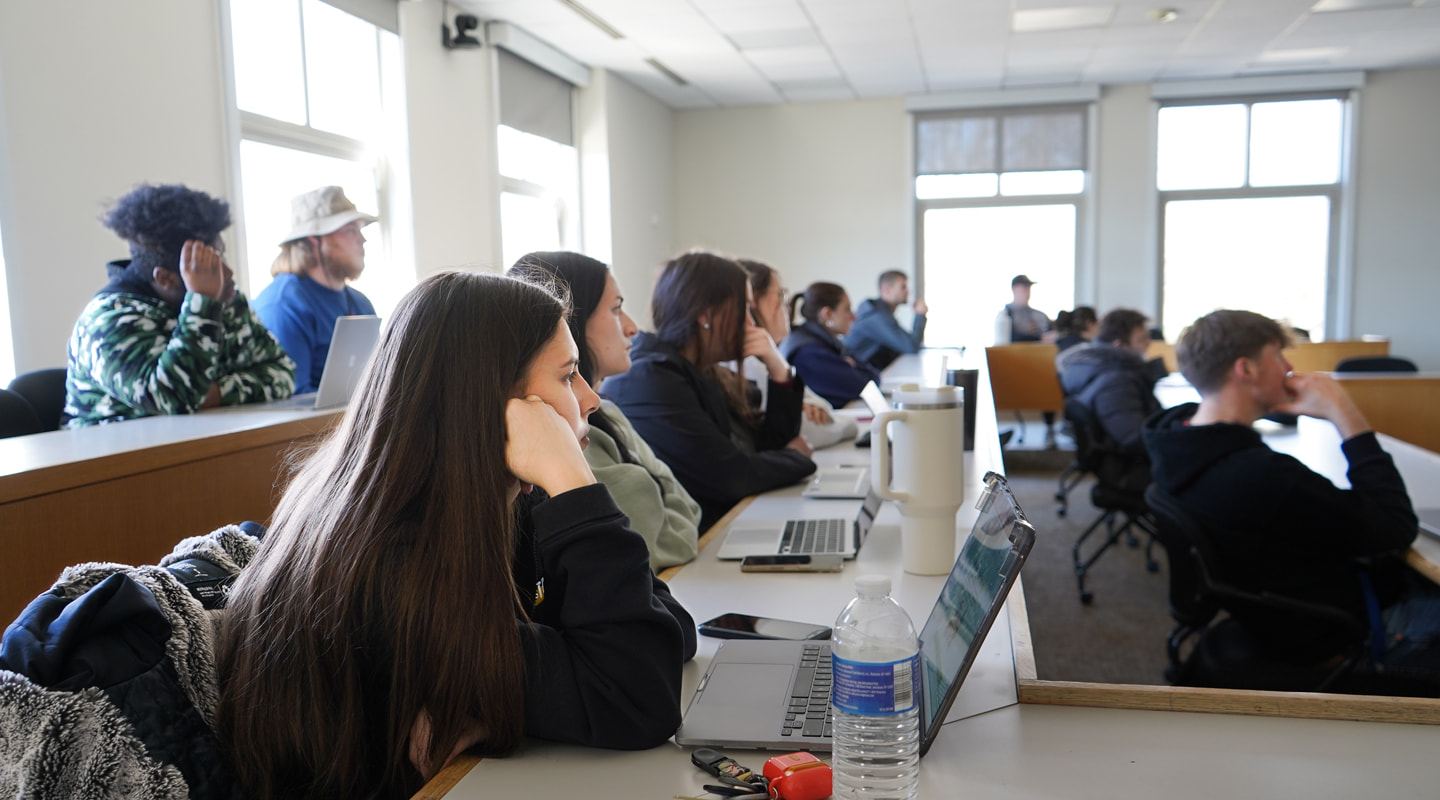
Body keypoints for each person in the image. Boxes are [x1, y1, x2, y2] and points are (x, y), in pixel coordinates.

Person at [216, 272, 696, 799]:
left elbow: (671, 630)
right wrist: (573, 484)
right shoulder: (394, 565)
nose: (590, 398)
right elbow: (641, 696)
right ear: (492, 400)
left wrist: (497, 711)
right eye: (568, 376)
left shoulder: (486, 506)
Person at [1143, 309, 1436, 673]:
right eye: (1279, 356)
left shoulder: (1177, 441)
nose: (1288, 368)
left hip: (1273, 619)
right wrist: (1344, 412)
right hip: (1346, 628)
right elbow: (1395, 526)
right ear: (1246, 369)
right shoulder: (1264, 476)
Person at [508, 251, 702, 571]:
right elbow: (661, 542)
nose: (633, 328)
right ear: (575, 320)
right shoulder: (569, 434)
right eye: (616, 309)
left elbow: (688, 510)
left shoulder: (606, 410)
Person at [604, 251, 816, 529]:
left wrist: (779, 369)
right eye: (745, 309)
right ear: (706, 316)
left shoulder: (701, 370)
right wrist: (797, 458)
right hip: (699, 541)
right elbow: (731, 476)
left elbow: (768, 449)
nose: (752, 324)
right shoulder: (651, 378)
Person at [64, 184, 295, 427]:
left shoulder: (227, 300)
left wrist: (215, 394)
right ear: (166, 278)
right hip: (118, 450)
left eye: (221, 256)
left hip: (211, 440)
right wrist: (202, 302)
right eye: (208, 266)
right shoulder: (107, 322)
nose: (227, 272)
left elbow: (283, 372)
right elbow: (174, 398)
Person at [252, 186, 379, 393]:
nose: (362, 239)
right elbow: (292, 400)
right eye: (350, 230)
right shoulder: (283, 305)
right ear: (315, 240)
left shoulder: (361, 303)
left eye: (360, 229)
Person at [739, 259, 856, 448]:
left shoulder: (767, 357)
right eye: (780, 295)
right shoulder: (750, 365)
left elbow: (823, 407)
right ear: (753, 301)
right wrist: (850, 424)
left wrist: (815, 408)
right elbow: (809, 431)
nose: (787, 307)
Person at [1057, 308, 1161, 453]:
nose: (1148, 343)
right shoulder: (1117, 382)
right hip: (1130, 460)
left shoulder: (1100, 366)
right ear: (1119, 345)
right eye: (1141, 339)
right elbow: (1133, 438)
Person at [779, 281, 882, 409]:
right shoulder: (809, 352)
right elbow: (867, 386)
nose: (854, 316)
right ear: (827, 314)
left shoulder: (823, 340)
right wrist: (852, 366)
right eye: (847, 309)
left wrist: (854, 366)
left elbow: (872, 375)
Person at [846, 269, 928, 370]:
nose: (908, 291)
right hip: (857, 374)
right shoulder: (876, 317)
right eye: (903, 287)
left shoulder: (882, 313)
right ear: (887, 289)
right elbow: (911, 347)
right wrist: (920, 315)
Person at [994, 274, 1053, 344]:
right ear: (1014, 289)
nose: (1027, 292)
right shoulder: (1005, 315)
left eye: (1029, 288)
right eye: (1024, 288)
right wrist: (1039, 338)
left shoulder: (1040, 315)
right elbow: (1009, 339)